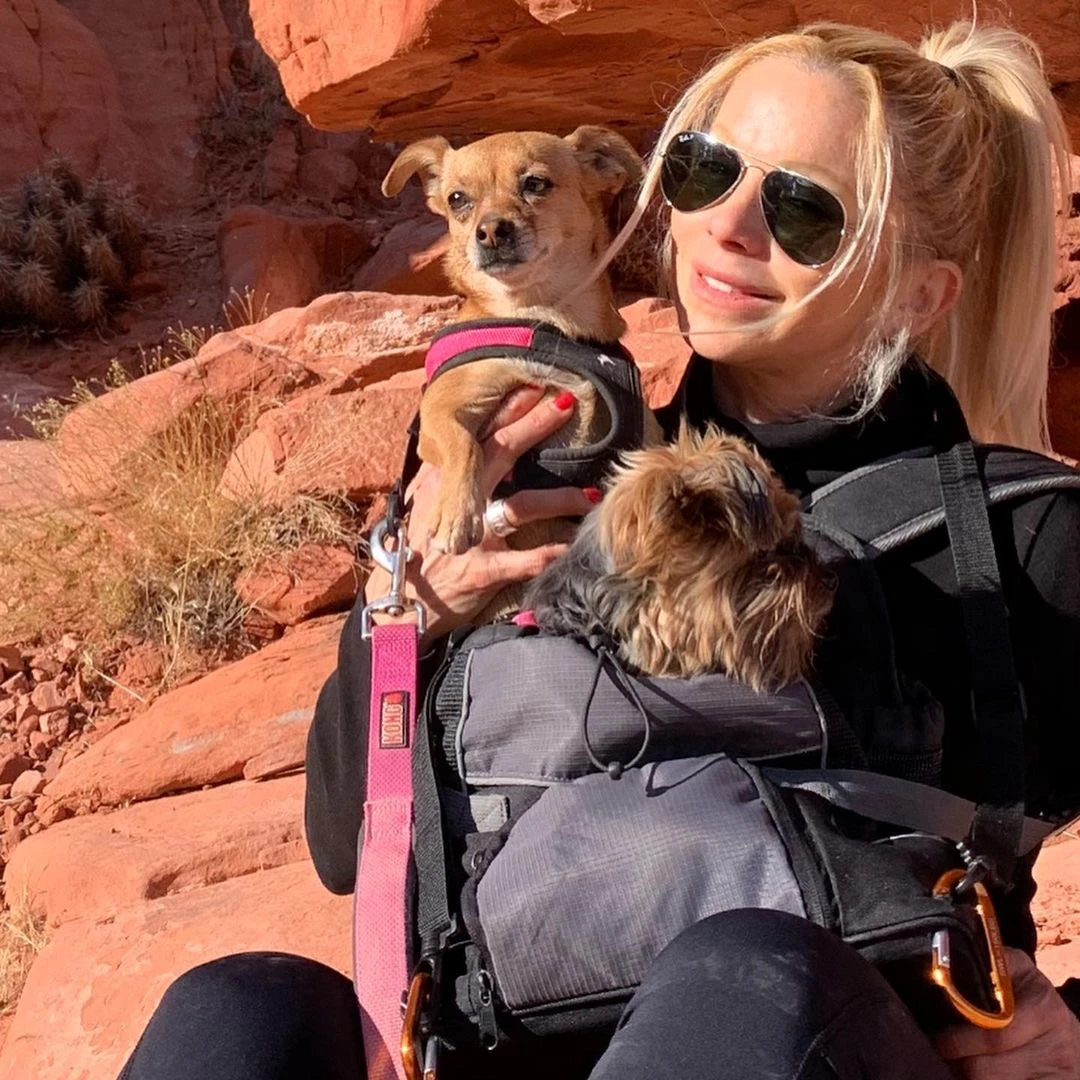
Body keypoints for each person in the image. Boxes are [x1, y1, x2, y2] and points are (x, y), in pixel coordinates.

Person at [117, 18, 1080, 1080]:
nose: (727, 227)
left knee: (742, 975)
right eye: (708, 171)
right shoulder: (528, 462)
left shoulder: (1017, 533)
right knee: (242, 1009)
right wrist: (402, 615)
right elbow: (346, 847)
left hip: (811, 1032)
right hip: (519, 1027)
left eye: (803, 210)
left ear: (917, 291)